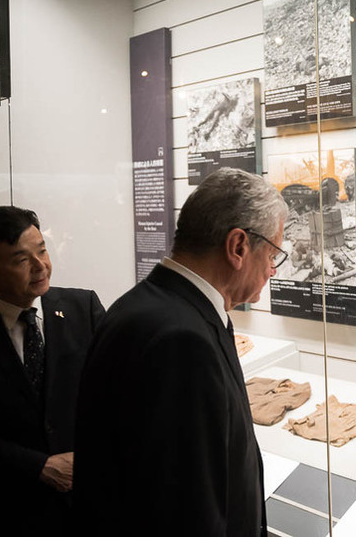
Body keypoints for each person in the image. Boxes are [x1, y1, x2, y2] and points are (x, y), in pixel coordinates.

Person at [74, 167, 287, 536]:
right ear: (238, 246)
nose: (271, 270)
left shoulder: (151, 307)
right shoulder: (181, 339)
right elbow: (187, 506)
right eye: (272, 254)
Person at [0, 205, 105, 537]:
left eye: (42, 250)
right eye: (22, 260)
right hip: (9, 509)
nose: (41, 266)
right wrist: (39, 467)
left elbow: (118, 396)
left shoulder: (85, 309)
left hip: (88, 502)